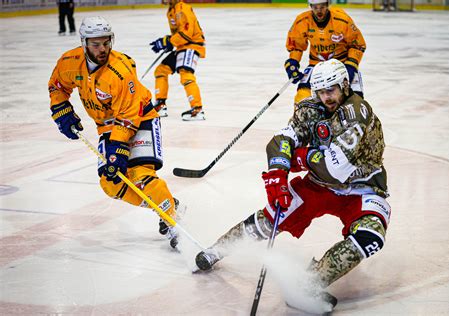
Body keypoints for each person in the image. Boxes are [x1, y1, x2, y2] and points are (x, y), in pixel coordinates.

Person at [194, 59, 391, 311]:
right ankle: (217, 249)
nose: (325, 97)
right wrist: (277, 174)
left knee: (370, 236)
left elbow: (334, 170)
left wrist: (299, 157)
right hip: (318, 186)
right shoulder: (311, 108)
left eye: (331, 90)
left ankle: (309, 283)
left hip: (362, 189)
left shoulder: (357, 114)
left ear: (344, 85)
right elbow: (282, 140)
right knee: (271, 217)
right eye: (320, 91)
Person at [48, 16, 182, 248]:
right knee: (111, 184)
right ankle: (166, 204)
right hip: (107, 128)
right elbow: (57, 86)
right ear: (84, 42)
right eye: (96, 44)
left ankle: (174, 222)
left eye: (106, 42)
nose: (103, 49)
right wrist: (61, 109)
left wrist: (118, 148)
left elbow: (129, 116)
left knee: (141, 176)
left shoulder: (120, 70)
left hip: (140, 120)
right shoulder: (69, 62)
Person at [285, 0, 366, 105]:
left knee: (355, 102)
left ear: (328, 5)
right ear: (310, 6)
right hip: (316, 65)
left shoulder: (342, 20)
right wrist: (293, 62)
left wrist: (350, 66)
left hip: (342, 64)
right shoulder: (302, 21)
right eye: (315, 7)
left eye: (322, 7)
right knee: (302, 98)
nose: (319, 11)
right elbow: (296, 46)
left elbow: (357, 45)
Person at [149, 0, 206, 121]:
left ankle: (197, 109)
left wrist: (168, 42)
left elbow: (187, 34)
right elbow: (179, 33)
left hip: (191, 45)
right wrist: (167, 41)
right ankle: (160, 105)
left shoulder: (182, 8)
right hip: (182, 46)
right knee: (161, 71)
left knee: (185, 73)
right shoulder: (172, 10)